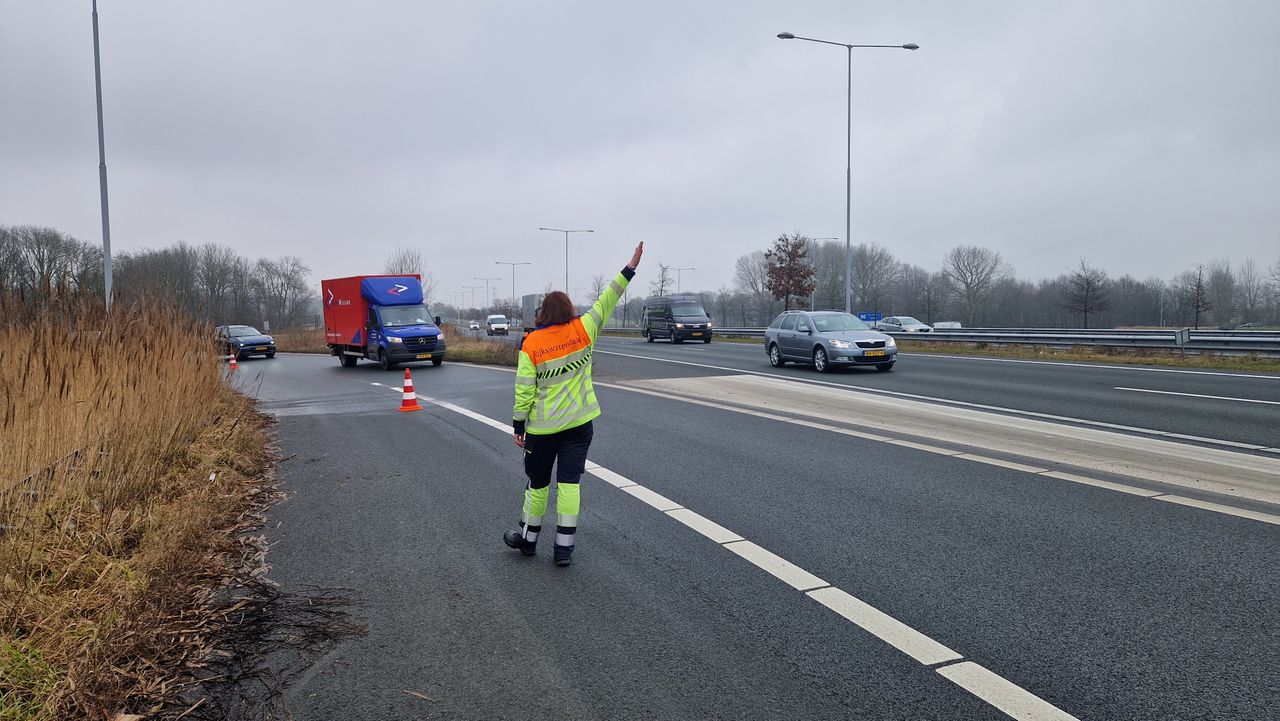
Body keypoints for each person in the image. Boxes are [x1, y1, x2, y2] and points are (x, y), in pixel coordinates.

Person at [504, 241, 644, 567]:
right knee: (570, 485)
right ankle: (563, 550)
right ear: (568, 309)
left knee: (537, 485)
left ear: (543, 313)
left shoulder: (532, 343)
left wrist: (518, 425)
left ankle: (528, 541)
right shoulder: (585, 329)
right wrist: (630, 267)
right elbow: (610, 296)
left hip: (542, 429)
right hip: (580, 426)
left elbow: (524, 390)